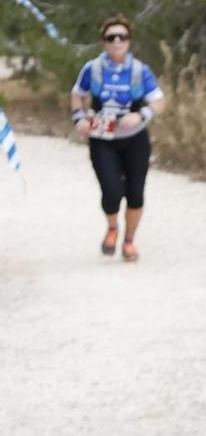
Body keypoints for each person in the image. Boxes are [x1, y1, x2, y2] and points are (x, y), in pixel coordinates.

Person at [70, 14, 163, 262]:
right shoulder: (93, 68)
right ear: (104, 42)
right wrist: (79, 118)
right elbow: (77, 94)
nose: (117, 41)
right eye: (111, 37)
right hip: (103, 137)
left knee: (135, 193)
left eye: (122, 37)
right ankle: (112, 227)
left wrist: (141, 114)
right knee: (111, 191)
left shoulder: (139, 70)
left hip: (135, 138)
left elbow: (159, 101)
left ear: (129, 41)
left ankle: (129, 242)